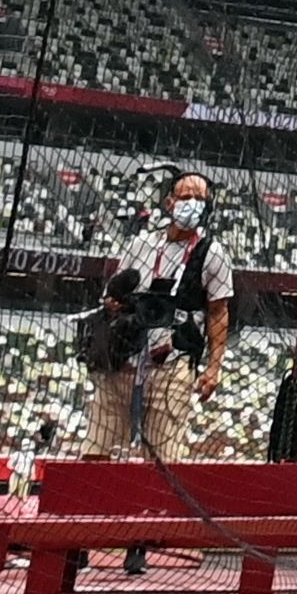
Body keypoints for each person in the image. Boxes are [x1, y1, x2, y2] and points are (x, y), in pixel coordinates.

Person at [88, 170, 232, 464]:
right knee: (95, 449)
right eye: (185, 197)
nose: (192, 204)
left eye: (200, 199)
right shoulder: (141, 245)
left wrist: (214, 367)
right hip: (124, 357)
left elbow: (219, 311)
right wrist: (115, 303)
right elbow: (111, 295)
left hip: (173, 360)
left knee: (165, 459)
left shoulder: (212, 253)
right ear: (170, 203)